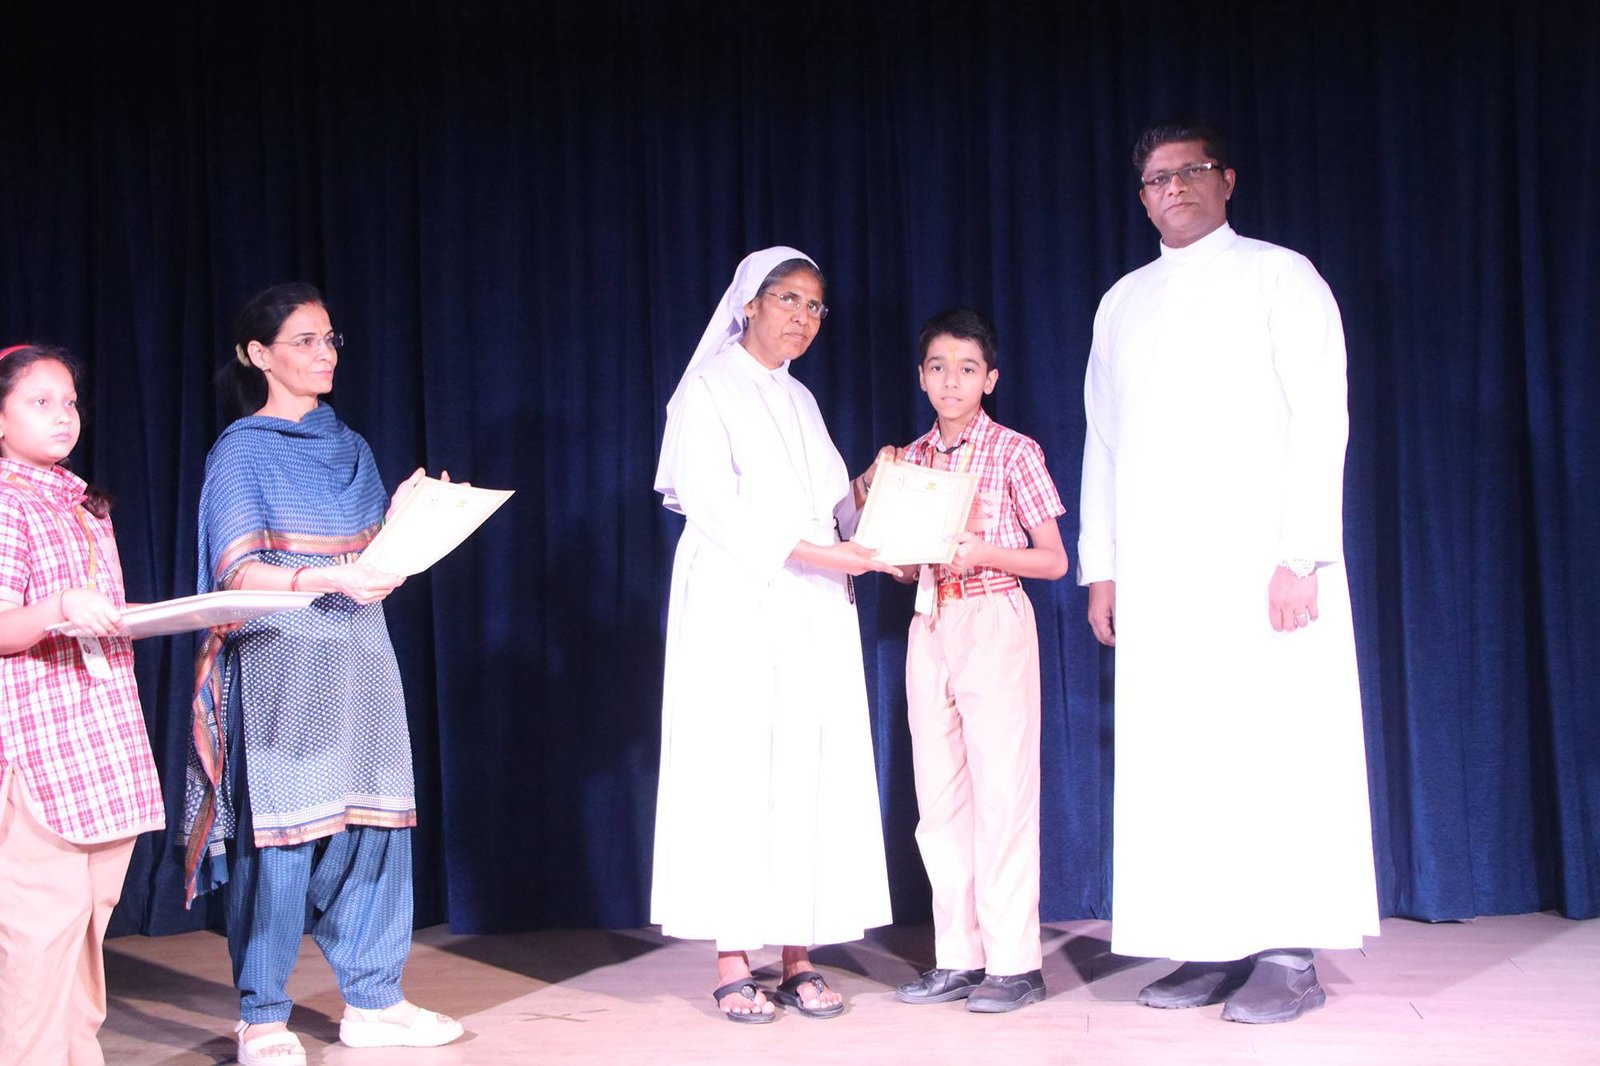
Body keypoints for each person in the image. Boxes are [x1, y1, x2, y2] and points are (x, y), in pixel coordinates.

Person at [1078, 118, 1379, 1024]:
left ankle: (1287, 952)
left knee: (1274, 746)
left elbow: (1322, 416)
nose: (1173, 188)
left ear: (1227, 180)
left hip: (1262, 566)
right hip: (1164, 574)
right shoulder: (1122, 302)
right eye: (1156, 180)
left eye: (1191, 171)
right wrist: (1103, 567)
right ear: (1142, 200)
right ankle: (1207, 941)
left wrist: (1301, 553)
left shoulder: (1280, 276)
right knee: (1182, 755)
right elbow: (1104, 441)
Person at [181, 283, 463, 1064]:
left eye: (330, 338)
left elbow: (376, 567)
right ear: (258, 354)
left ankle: (374, 1000)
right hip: (282, 655)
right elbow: (236, 574)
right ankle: (262, 1014)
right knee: (284, 835)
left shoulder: (352, 447)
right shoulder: (241, 450)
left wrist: (408, 519)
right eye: (304, 340)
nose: (324, 353)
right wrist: (325, 578)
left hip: (360, 653)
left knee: (375, 825)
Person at [652, 246, 897, 1023]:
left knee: (806, 771)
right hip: (736, 602)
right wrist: (824, 553)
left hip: (811, 605)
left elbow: (831, 511)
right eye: (789, 298)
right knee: (738, 767)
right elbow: (713, 506)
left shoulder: (800, 399)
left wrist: (873, 486)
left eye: (815, 305)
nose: (803, 316)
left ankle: (798, 956)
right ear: (749, 304)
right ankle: (734, 960)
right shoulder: (707, 390)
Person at [872, 309, 1069, 1013]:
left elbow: (1053, 560)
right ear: (921, 376)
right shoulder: (912, 458)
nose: (950, 381)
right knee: (939, 799)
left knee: (1003, 793)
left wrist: (982, 550)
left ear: (990, 378)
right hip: (931, 616)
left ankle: (1016, 964)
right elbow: (901, 560)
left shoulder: (1014, 451)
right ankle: (958, 956)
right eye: (937, 367)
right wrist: (891, 549)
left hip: (993, 614)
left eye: (966, 368)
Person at [0, 343, 165, 1065]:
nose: (63, 415)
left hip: (101, 736)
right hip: (38, 742)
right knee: (40, 931)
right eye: (40, 402)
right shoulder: (6, 504)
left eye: (69, 401)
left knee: (89, 924)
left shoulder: (82, 505)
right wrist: (61, 605)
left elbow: (105, 618)